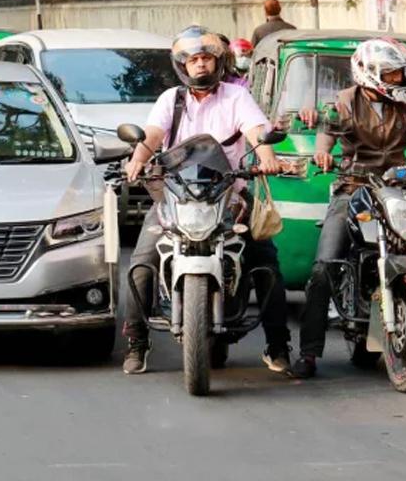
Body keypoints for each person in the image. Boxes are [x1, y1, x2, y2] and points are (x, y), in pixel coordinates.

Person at [121, 25, 292, 375]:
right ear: (182, 65)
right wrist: (139, 158)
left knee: (266, 263)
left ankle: (278, 345)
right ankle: (137, 342)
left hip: (229, 193)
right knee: (141, 263)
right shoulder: (171, 99)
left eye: (207, 59)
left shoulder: (235, 96)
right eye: (194, 60)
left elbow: (256, 130)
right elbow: (153, 134)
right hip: (177, 194)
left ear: (219, 62)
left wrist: (267, 154)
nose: (201, 65)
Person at [292, 37, 406, 378]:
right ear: (369, 74)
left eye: (401, 74)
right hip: (354, 188)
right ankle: (309, 353)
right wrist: (323, 152)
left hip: (399, 190)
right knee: (323, 266)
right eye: (393, 74)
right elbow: (328, 131)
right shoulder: (344, 102)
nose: (400, 79)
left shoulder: (405, 105)